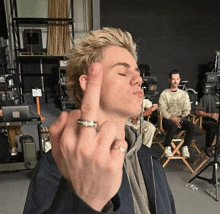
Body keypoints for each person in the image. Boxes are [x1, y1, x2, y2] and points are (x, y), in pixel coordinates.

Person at [23, 27, 176, 214]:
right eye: (122, 72)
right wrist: (84, 202)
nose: (138, 80)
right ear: (87, 83)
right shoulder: (58, 165)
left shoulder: (149, 159)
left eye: (138, 73)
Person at [159, 69, 195, 158]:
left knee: (191, 126)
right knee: (173, 126)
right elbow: (162, 110)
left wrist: (179, 117)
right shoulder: (164, 94)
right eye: (173, 79)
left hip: (180, 119)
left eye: (177, 79)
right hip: (167, 119)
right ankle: (167, 147)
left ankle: (185, 147)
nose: (175, 81)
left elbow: (187, 109)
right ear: (169, 80)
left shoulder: (184, 94)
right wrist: (172, 118)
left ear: (180, 79)